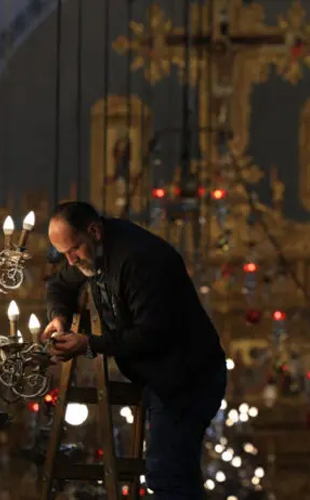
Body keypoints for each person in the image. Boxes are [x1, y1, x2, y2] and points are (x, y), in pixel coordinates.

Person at [43, 201, 227, 499]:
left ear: (94, 230)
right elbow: (59, 285)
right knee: (176, 475)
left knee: (165, 475)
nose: (71, 261)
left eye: (73, 250)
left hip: (190, 378)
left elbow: (151, 335)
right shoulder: (91, 252)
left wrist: (89, 343)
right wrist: (60, 317)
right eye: (64, 253)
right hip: (162, 379)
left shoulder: (140, 259)